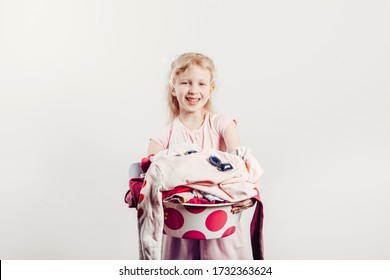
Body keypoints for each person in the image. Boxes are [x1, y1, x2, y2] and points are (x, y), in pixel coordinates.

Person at [147, 52, 256, 260]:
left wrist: (251, 193)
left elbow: (243, 167)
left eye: (201, 84)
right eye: (185, 82)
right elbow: (150, 179)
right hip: (181, 233)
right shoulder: (162, 138)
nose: (193, 90)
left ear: (211, 89)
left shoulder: (223, 124)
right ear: (173, 88)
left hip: (221, 227)